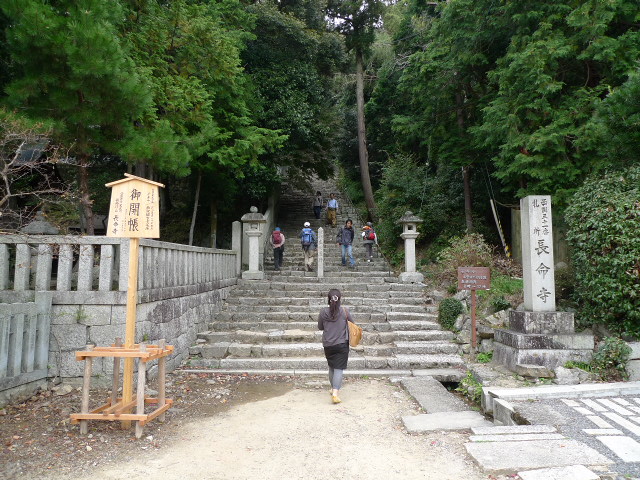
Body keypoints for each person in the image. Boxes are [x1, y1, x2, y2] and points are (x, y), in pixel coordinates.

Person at [318, 288, 355, 404]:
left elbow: (320, 327)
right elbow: (352, 324)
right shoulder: (345, 311)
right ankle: (335, 394)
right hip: (341, 343)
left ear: (328, 299)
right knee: (339, 368)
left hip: (328, 344)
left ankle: (333, 388)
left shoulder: (323, 312)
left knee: (331, 367)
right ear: (340, 299)